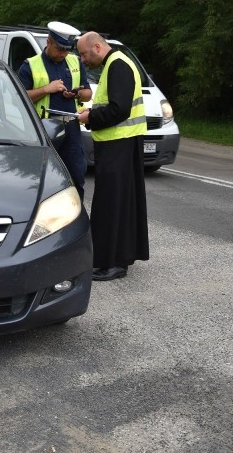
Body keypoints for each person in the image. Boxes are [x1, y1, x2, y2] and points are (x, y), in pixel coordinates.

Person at [76, 31, 149, 281]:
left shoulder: (118, 66)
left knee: (114, 205)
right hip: (117, 144)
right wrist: (93, 112)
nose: (83, 60)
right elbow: (114, 105)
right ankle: (111, 258)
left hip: (120, 144)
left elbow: (119, 109)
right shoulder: (114, 64)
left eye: (84, 54)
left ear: (97, 47)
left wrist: (90, 118)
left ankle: (115, 263)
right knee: (116, 204)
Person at [17, 21, 92, 200]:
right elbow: (18, 97)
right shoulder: (30, 65)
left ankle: (76, 215)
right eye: (60, 49)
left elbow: (88, 94)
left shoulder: (74, 61)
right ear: (49, 42)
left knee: (76, 174)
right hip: (43, 129)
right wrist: (45, 89)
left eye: (66, 49)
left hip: (71, 127)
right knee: (41, 178)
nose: (63, 54)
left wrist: (76, 94)